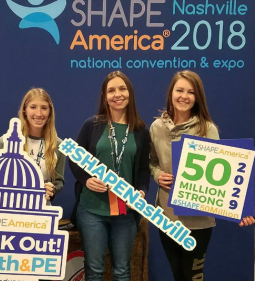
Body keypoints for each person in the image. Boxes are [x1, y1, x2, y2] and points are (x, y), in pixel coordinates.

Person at [149, 70, 255, 281]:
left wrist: (243, 209)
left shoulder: (208, 129)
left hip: (198, 221)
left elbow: (224, 175)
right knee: (178, 274)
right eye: (180, 90)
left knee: (193, 276)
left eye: (191, 92)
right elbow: (152, 162)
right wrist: (158, 174)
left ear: (197, 97)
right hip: (166, 217)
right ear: (171, 92)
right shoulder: (156, 127)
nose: (184, 96)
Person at [69, 71, 150, 281]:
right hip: (92, 211)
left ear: (130, 93)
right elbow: (74, 159)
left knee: (122, 271)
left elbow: (143, 169)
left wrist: (141, 191)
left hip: (125, 213)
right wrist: (86, 179)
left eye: (122, 89)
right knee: (94, 270)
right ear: (104, 96)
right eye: (111, 90)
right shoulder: (92, 125)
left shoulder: (140, 130)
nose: (117, 94)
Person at [0, 88, 65, 202]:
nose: (39, 113)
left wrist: (52, 189)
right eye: (33, 107)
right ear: (24, 110)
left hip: (39, 210)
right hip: (6, 207)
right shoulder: (3, 142)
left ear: (50, 112)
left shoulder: (57, 145)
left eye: (44, 108)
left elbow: (58, 182)